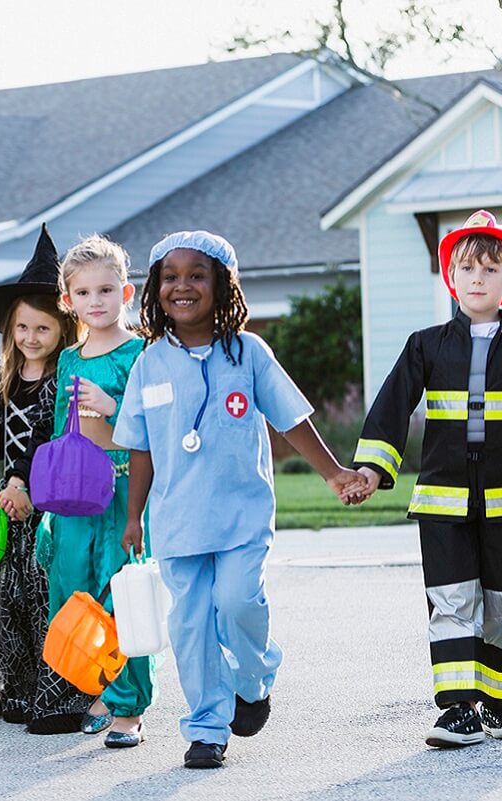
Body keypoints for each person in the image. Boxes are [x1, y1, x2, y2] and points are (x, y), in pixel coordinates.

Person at [115, 231, 365, 768]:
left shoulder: (249, 353)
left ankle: (254, 676)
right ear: (155, 289)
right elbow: (140, 449)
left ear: (222, 285)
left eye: (197, 275)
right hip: (177, 521)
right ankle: (207, 727)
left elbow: (291, 418)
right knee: (191, 626)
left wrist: (334, 473)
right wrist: (133, 516)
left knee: (237, 603)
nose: (182, 286)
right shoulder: (148, 364)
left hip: (241, 516)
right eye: (170, 277)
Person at [351, 210, 502, 748]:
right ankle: (457, 710)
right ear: (451, 277)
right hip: (443, 502)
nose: (478, 278)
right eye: (467, 268)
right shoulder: (425, 345)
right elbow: (393, 406)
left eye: (490, 270)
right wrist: (371, 466)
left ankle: (499, 707)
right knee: (451, 601)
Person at [0, 223, 87, 734]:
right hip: (11, 506)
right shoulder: (0, 380)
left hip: (49, 503)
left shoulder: (67, 378)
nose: (31, 338)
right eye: (22, 329)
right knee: (9, 595)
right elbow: (1, 442)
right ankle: (14, 684)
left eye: (42, 329)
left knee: (44, 594)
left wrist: (28, 487)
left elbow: (53, 441)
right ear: (9, 330)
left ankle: (53, 687)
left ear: (62, 329)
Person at [35, 234, 156, 748]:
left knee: (119, 593)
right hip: (73, 496)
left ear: (126, 293)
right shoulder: (68, 359)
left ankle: (129, 707)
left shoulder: (142, 353)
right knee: (72, 591)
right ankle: (99, 686)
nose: (96, 302)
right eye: (83, 293)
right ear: (68, 301)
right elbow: (64, 428)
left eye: (106, 290)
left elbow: (152, 427)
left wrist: (113, 405)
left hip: (121, 488)